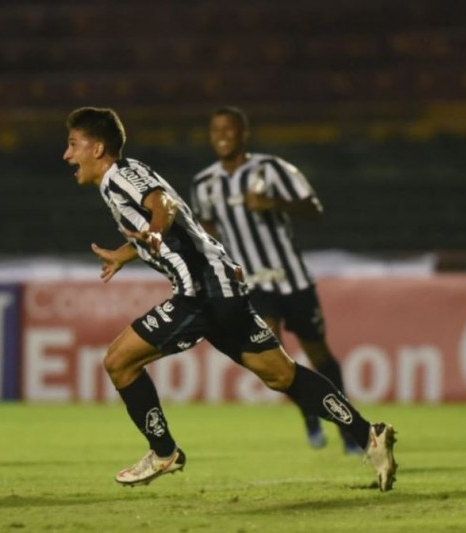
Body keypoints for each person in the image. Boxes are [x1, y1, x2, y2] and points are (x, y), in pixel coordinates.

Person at [63, 106, 397, 489]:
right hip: (221, 284)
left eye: (73, 145)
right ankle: (369, 435)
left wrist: (154, 232)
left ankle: (164, 452)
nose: (67, 155)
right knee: (281, 374)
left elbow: (164, 206)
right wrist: (126, 253)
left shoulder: (120, 176)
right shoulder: (127, 173)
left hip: (201, 292)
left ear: (98, 147)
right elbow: (178, 222)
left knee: (119, 362)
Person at [189, 106, 361, 452]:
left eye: (229, 129)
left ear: (244, 133)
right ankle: (310, 416)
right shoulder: (204, 185)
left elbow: (313, 207)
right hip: (253, 285)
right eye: (215, 130)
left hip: (293, 281)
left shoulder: (271, 169)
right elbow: (207, 233)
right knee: (275, 358)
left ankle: (346, 429)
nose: (221, 136)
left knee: (319, 354)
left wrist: (272, 203)